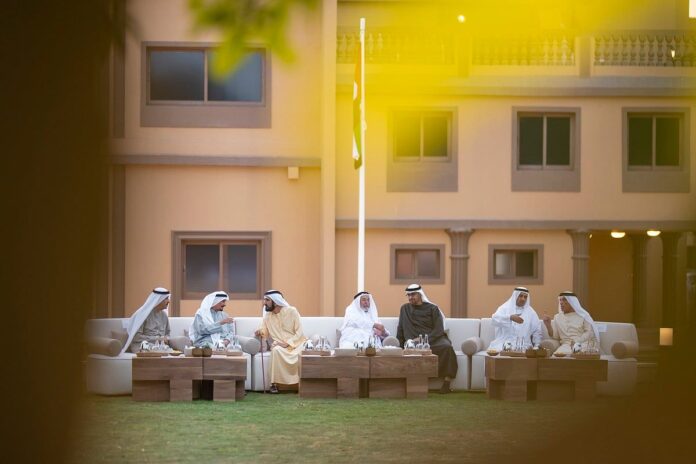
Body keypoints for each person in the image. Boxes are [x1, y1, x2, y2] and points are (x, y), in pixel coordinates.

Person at [397, 283, 458, 393]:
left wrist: (424, 340)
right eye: (408, 295)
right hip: (412, 342)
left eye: (413, 295)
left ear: (420, 294)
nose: (410, 297)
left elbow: (439, 329)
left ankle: (447, 382)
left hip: (432, 339)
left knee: (446, 347)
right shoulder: (404, 309)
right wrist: (399, 346)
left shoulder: (432, 308)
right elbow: (400, 328)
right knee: (408, 349)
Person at [254, 289, 307, 393]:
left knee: (304, 350)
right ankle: (274, 384)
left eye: (267, 300)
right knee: (276, 350)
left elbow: (299, 332)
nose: (264, 303)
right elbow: (264, 331)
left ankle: (302, 383)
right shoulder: (267, 316)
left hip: (297, 344)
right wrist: (260, 332)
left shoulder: (292, 311)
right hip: (280, 347)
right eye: (264, 300)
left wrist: (286, 343)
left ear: (276, 302)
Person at [542, 291, 600, 355]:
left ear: (572, 302)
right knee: (557, 356)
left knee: (580, 354)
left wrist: (577, 341)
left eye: (564, 300)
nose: (561, 302)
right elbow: (556, 336)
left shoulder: (583, 316)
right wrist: (548, 325)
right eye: (560, 300)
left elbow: (589, 333)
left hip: (583, 344)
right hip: (566, 345)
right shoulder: (557, 317)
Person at [489, 287, 542, 351]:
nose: (523, 299)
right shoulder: (504, 308)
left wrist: (537, 345)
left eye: (525, 297)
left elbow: (537, 330)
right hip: (505, 343)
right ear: (515, 296)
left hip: (524, 345)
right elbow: (494, 319)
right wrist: (510, 317)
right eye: (521, 296)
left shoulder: (531, 312)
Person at [121, 287, 171, 354]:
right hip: (142, 345)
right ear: (159, 299)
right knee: (157, 351)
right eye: (166, 298)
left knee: (168, 351)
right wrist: (157, 339)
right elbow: (136, 337)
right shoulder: (143, 314)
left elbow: (168, 333)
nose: (169, 301)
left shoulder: (164, 315)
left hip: (159, 346)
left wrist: (166, 338)